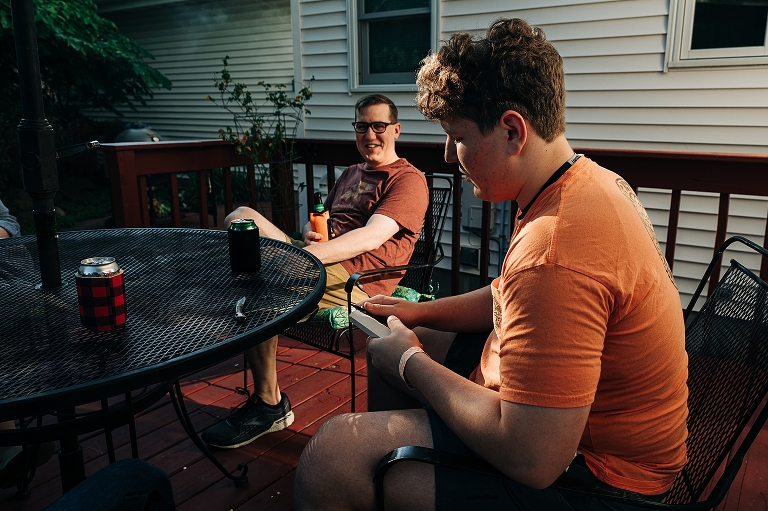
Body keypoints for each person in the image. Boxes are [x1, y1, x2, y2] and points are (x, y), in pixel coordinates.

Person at [293, 18, 688, 511]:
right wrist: (419, 314)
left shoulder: (555, 249)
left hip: (600, 480)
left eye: (457, 136)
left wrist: (411, 362)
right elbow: (508, 293)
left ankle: (374, 473)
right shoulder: (581, 182)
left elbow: (533, 460)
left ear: (511, 130)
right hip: (556, 422)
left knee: (332, 456)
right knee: (382, 345)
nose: (447, 152)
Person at [200, 94, 430, 449]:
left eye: (379, 126)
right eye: (362, 126)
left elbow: (371, 236)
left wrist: (306, 256)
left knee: (256, 283)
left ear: (396, 129)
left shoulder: (408, 179)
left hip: (359, 279)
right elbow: (329, 225)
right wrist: (313, 237)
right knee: (240, 217)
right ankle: (243, 288)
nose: (370, 134)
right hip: (320, 257)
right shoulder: (351, 173)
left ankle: (269, 406)